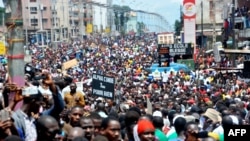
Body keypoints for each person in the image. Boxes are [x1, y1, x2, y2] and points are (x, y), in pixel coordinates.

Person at [11, 73, 64, 141]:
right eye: (40, 103)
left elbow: (59, 107)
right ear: (33, 102)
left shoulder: (38, 117)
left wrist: (52, 85)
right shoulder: (16, 119)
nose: (40, 106)